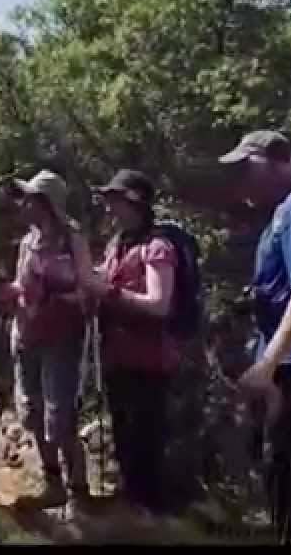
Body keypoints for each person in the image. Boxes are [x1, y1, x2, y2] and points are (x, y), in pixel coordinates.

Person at [218, 130, 291, 545]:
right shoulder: (283, 213)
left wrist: (267, 365)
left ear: (277, 160)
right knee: (277, 465)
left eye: (246, 168)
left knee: (288, 466)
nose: (242, 181)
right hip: (284, 361)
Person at [0, 169, 97, 515]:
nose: (23, 205)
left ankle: (78, 492)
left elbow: (87, 289)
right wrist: (9, 294)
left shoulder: (72, 239)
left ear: (47, 203)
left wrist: (57, 292)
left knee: (60, 415)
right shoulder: (28, 241)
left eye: (30, 198)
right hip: (26, 336)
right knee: (33, 413)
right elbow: (24, 286)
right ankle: (53, 484)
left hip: (61, 338)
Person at [90, 169, 182, 514]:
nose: (109, 207)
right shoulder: (118, 244)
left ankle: (152, 518)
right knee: (126, 442)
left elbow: (159, 305)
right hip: (119, 358)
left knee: (146, 446)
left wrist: (110, 293)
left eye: (114, 199)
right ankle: (133, 513)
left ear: (134, 203)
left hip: (151, 362)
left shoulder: (157, 248)